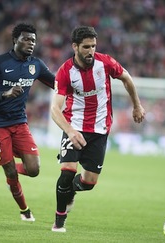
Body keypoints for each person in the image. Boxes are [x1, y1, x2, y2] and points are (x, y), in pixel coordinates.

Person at [50, 26, 145, 232]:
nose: (91, 50)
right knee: (67, 172)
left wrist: (136, 105)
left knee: (89, 182)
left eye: (93, 46)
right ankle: (59, 221)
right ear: (75, 47)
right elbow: (54, 109)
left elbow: (127, 79)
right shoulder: (65, 71)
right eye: (86, 47)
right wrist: (70, 131)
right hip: (74, 127)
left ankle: (72, 190)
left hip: (100, 130)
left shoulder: (106, 63)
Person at [0, 23, 55, 222]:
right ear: (15, 40)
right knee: (10, 170)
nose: (31, 43)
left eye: (33, 40)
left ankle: (8, 169)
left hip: (19, 122)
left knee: (34, 170)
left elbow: (56, 83)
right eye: (26, 39)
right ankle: (24, 210)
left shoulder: (36, 65)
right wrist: (6, 93)